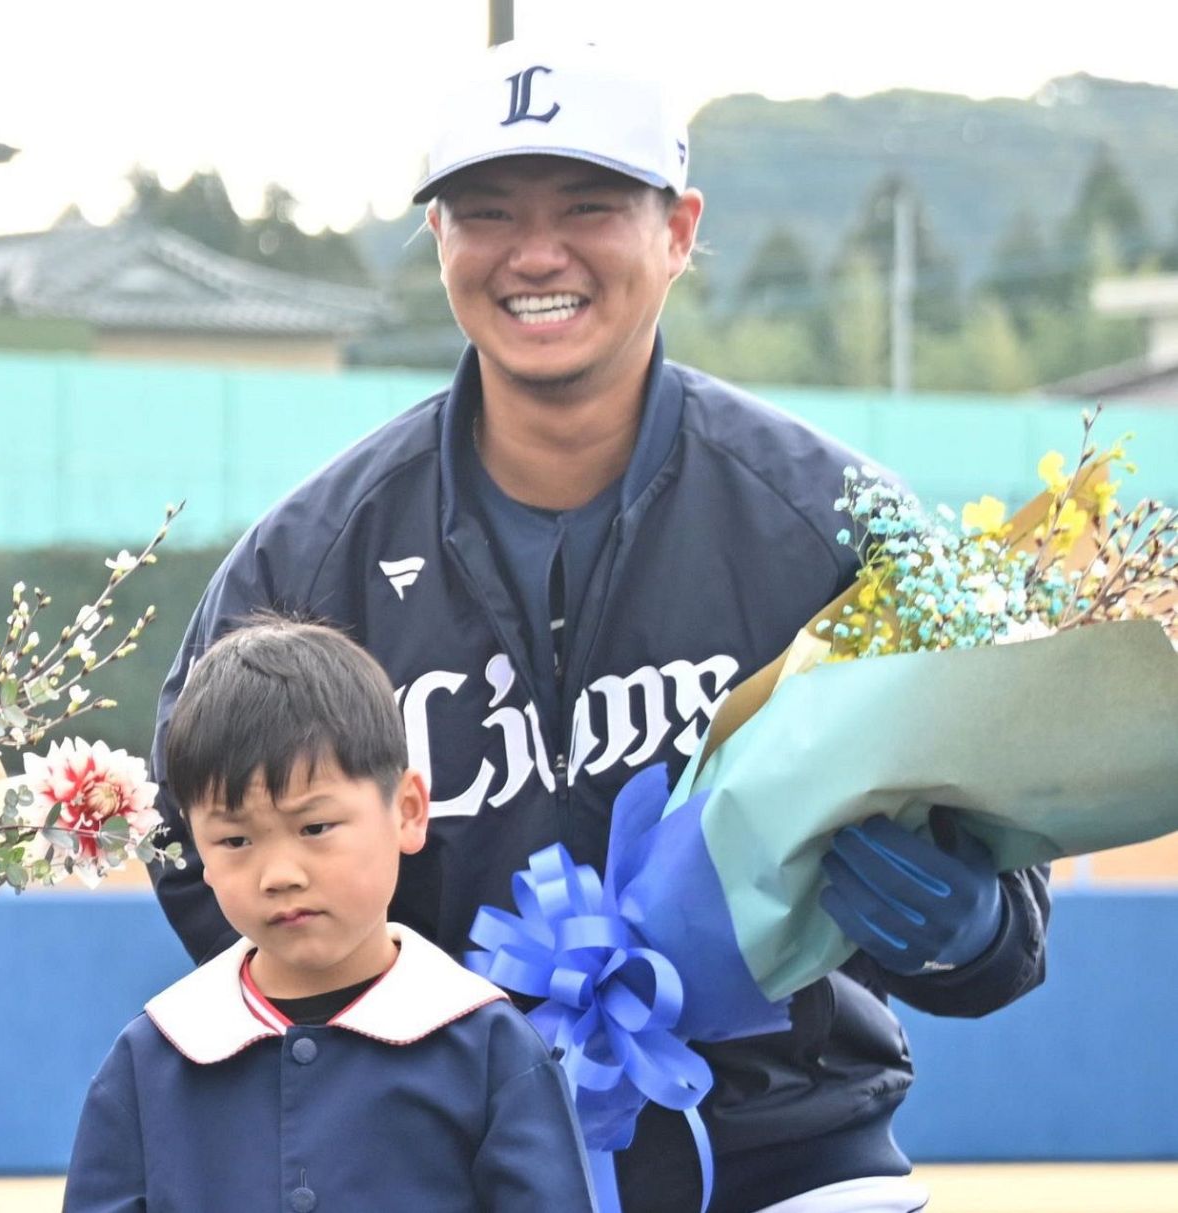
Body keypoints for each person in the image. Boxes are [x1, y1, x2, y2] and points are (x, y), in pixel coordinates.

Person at [148, 40, 1050, 1213]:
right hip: (437, 1164)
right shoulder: (316, 557)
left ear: (677, 230)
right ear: (439, 245)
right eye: (485, 214)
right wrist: (355, 1020)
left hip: (780, 1158)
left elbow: (1006, 931)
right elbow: (183, 829)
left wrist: (965, 922)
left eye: (587, 207)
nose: (535, 254)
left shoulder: (826, 525)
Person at [67, 617, 598, 1212]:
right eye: (236, 841)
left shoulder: (488, 1049)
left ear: (408, 810)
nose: (280, 874)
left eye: (315, 827)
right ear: (198, 854)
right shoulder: (155, 1058)